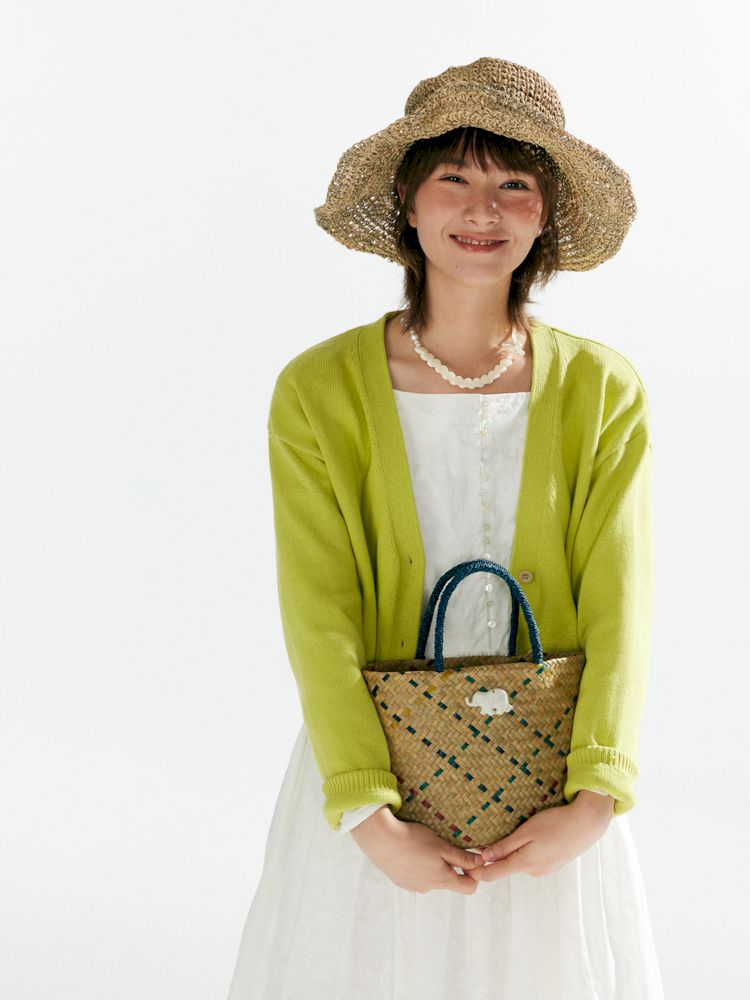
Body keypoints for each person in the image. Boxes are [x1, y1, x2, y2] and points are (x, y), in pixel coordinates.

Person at [226, 57, 665, 999]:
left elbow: (622, 602)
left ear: (546, 214)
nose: (483, 210)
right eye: (454, 178)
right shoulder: (318, 391)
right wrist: (369, 816)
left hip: (553, 795)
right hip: (375, 792)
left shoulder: (603, 390)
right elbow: (318, 610)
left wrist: (594, 799)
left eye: (515, 185)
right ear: (407, 200)